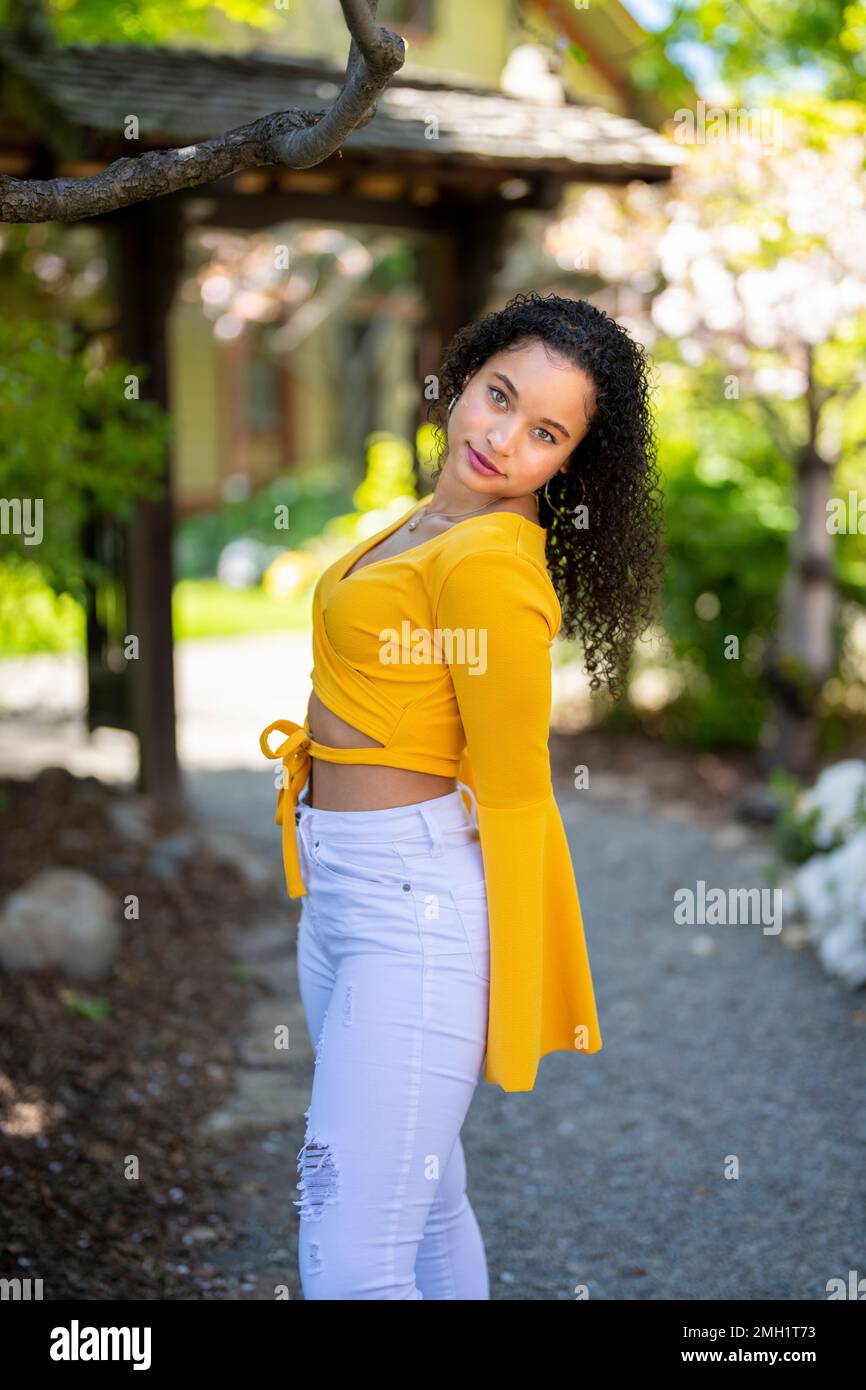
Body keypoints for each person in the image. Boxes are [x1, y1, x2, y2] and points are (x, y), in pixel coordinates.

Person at [259, 290, 664, 1300]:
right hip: (347, 894)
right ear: (467, 375)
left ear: (569, 461)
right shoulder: (432, 519)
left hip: (413, 914)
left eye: (544, 432)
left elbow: (519, 793)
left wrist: (526, 987)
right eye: (497, 395)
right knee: (424, 1200)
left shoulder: (488, 558)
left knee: (347, 1250)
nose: (500, 437)